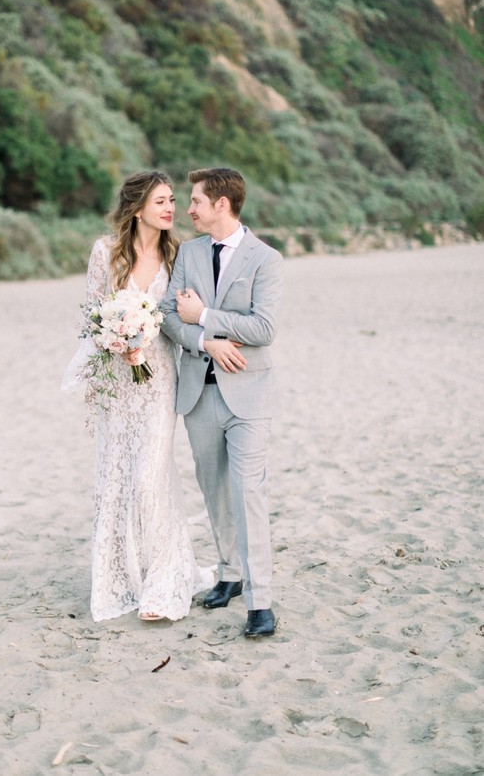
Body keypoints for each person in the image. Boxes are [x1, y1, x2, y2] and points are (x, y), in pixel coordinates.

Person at [62, 171, 212, 623]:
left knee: (151, 475)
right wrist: (118, 341)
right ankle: (122, 578)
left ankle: (163, 579)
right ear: (138, 206)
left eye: (172, 201)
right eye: (162, 201)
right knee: (117, 476)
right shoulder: (105, 252)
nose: (171, 209)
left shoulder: (178, 254)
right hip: (117, 382)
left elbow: (183, 314)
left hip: (160, 378)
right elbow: (93, 314)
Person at [161, 167, 283, 638]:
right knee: (212, 488)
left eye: (194, 201)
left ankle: (260, 601)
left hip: (249, 395)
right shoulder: (189, 253)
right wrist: (206, 341)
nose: (186, 210)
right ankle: (230, 573)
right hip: (197, 391)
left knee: (247, 492)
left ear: (222, 205)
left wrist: (207, 316)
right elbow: (171, 317)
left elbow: (264, 328)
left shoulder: (265, 259)